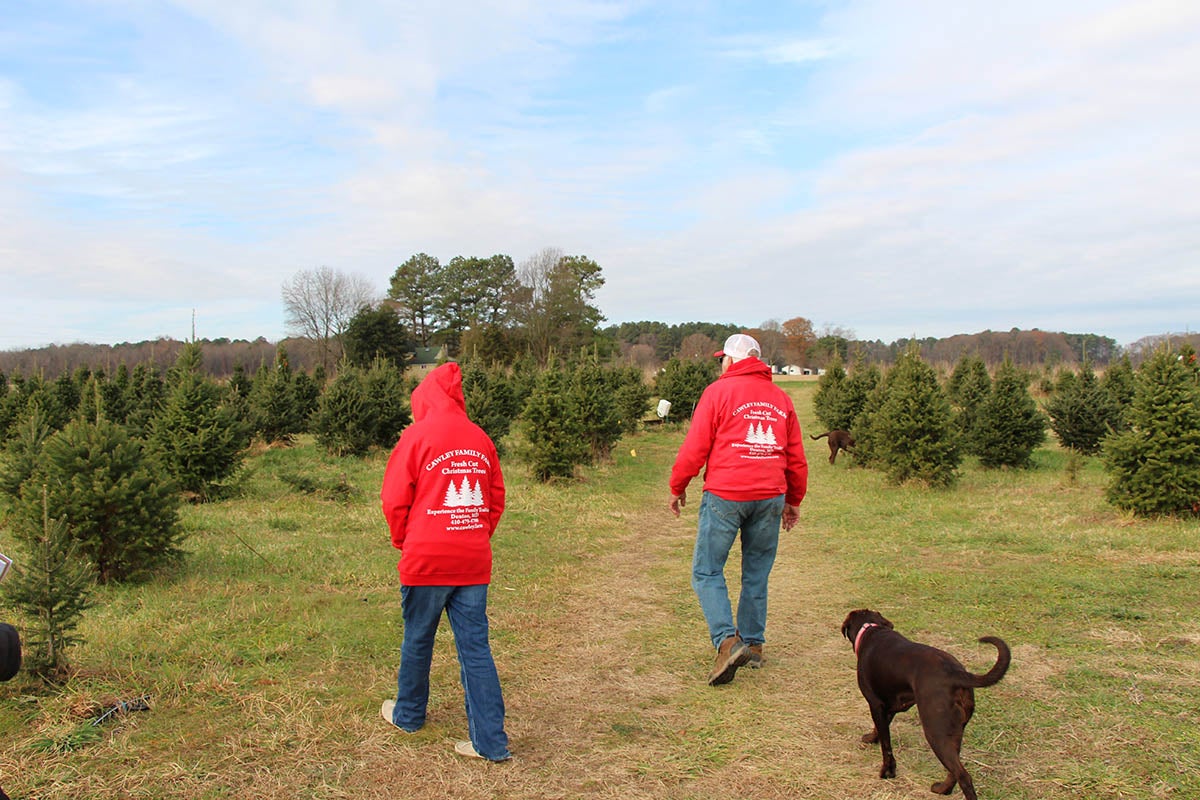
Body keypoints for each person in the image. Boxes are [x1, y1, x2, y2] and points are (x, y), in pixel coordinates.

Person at [379, 362, 512, 762]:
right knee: (476, 648)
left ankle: (408, 715)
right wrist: (474, 535)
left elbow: (394, 498)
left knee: (417, 638)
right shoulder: (480, 438)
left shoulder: (416, 437)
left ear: (424, 399)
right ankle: (490, 743)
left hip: (426, 561)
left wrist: (405, 540)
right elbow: (495, 497)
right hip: (472, 560)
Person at [668, 333, 808, 686]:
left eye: (722, 359)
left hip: (726, 495)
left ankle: (728, 642)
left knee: (707, 571)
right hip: (770, 497)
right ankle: (754, 644)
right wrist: (793, 500)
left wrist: (677, 485)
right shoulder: (781, 399)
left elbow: (695, 446)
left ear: (731, 361)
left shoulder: (717, 392)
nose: (721, 364)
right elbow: (795, 458)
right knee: (756, 572)